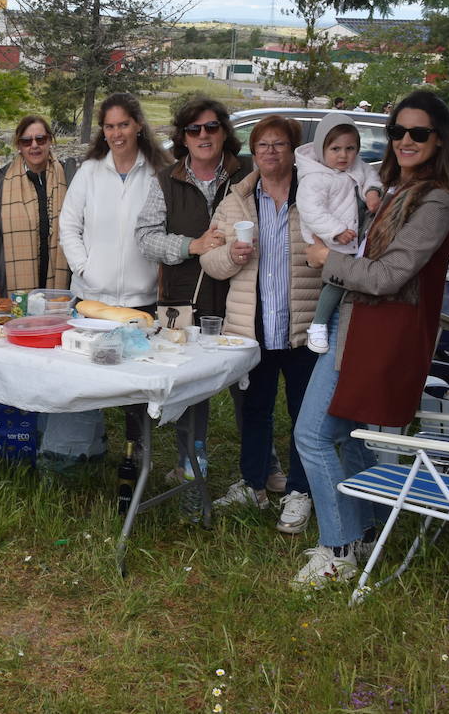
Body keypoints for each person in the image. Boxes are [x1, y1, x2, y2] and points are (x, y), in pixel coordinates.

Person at [291, 89, 449, 590]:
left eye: (419, 133)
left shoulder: (435, 201)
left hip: (377, 330)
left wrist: (329, 262)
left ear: (439, 140)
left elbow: (390, 275)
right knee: (348, 434)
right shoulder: (392, 188)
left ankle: (338, 549)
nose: (406, 141)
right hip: (359, 324)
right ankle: (362, 533)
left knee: (313, 434)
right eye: (397, 132)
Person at [200, 116, 321, 534]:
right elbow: (209, 261)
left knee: (304, 416)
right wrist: (231, 256)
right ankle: (253, 484)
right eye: (262, 145)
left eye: (279, 144)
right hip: (252, 330)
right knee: (255, 411)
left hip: (304, 327)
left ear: (293, 150)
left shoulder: (313, 197)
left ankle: (300, 492)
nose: (270, 152)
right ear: (254, 152)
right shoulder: (235, 200)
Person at [137, 96, 252, 479]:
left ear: (224, 132)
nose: (204, 135)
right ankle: (189, 462)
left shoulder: (247, 174)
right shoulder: (165, 180)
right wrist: (192, 245)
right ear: (183, 138)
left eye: (212, 127)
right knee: (188, 381)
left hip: (243, 296)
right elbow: (146, 238)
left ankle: (259, 467)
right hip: (184, 297)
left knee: (249, 384)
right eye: (194, 129)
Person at [60, 94, 168, 309]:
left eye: (124, 125)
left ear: (138, 125)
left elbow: (169, 229)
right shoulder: (89, 171)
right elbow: (68, 226)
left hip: (145, 300)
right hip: (90, 299)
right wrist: (84, 269)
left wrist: (156, 273)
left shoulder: (159, 174)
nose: (116, 134)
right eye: (109, 127)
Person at [296, 114, 383, 354]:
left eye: (350, 148)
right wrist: (336, 231)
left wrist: (373, 192)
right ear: (321, 148)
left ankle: (338, 323)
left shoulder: (357, 166)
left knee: (349, 280)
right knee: (337, 281)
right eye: (335, 149)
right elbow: (311, 210)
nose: (343, 155)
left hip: (354, 236)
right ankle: (318, 325)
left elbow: (370, 176)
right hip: (328, 238)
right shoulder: (314, 178)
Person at [0, 114, 75, 294]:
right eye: (27, 141)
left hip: (60, 286)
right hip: (13, 284)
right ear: (19, 146)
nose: (34, 145)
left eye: (40, 139)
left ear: (50, 140)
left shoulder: (68, 177)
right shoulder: (0, 181)